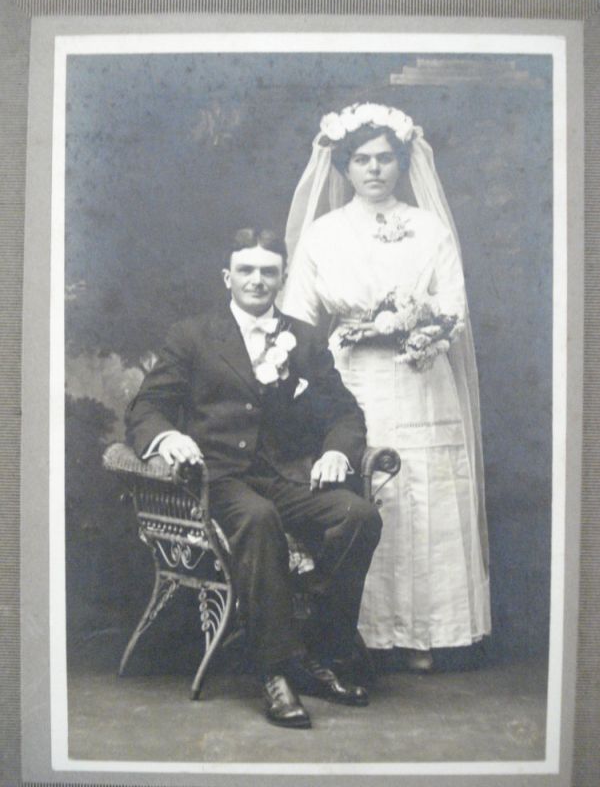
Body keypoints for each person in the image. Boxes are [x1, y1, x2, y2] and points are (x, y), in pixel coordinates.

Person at [126, 228, 382, 729]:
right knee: (259, 519)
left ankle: (321, 652)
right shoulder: (192, 335)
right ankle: (274, 671)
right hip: (217, 478)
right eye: (246, 270)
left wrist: (334, 452)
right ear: (228, 277)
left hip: (287, 475)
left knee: (359, 516)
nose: (257, 280)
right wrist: (168, 439)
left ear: (282, 277)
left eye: (268, 271)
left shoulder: (305, 338)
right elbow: (147, 407)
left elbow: (345, 412)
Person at [282, 102, 491, 672]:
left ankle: (424, 634)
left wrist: (413, 324)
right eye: (362, 160)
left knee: (421, 493)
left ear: (402, 164)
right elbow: (298, 317)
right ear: (344, 167)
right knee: (370, 492)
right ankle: (361, 632)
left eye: (385, 159)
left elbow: (455, 310)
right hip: (354, 382)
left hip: (421, 379)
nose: (374, 170)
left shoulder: (430, 228)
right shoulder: (323, 234)